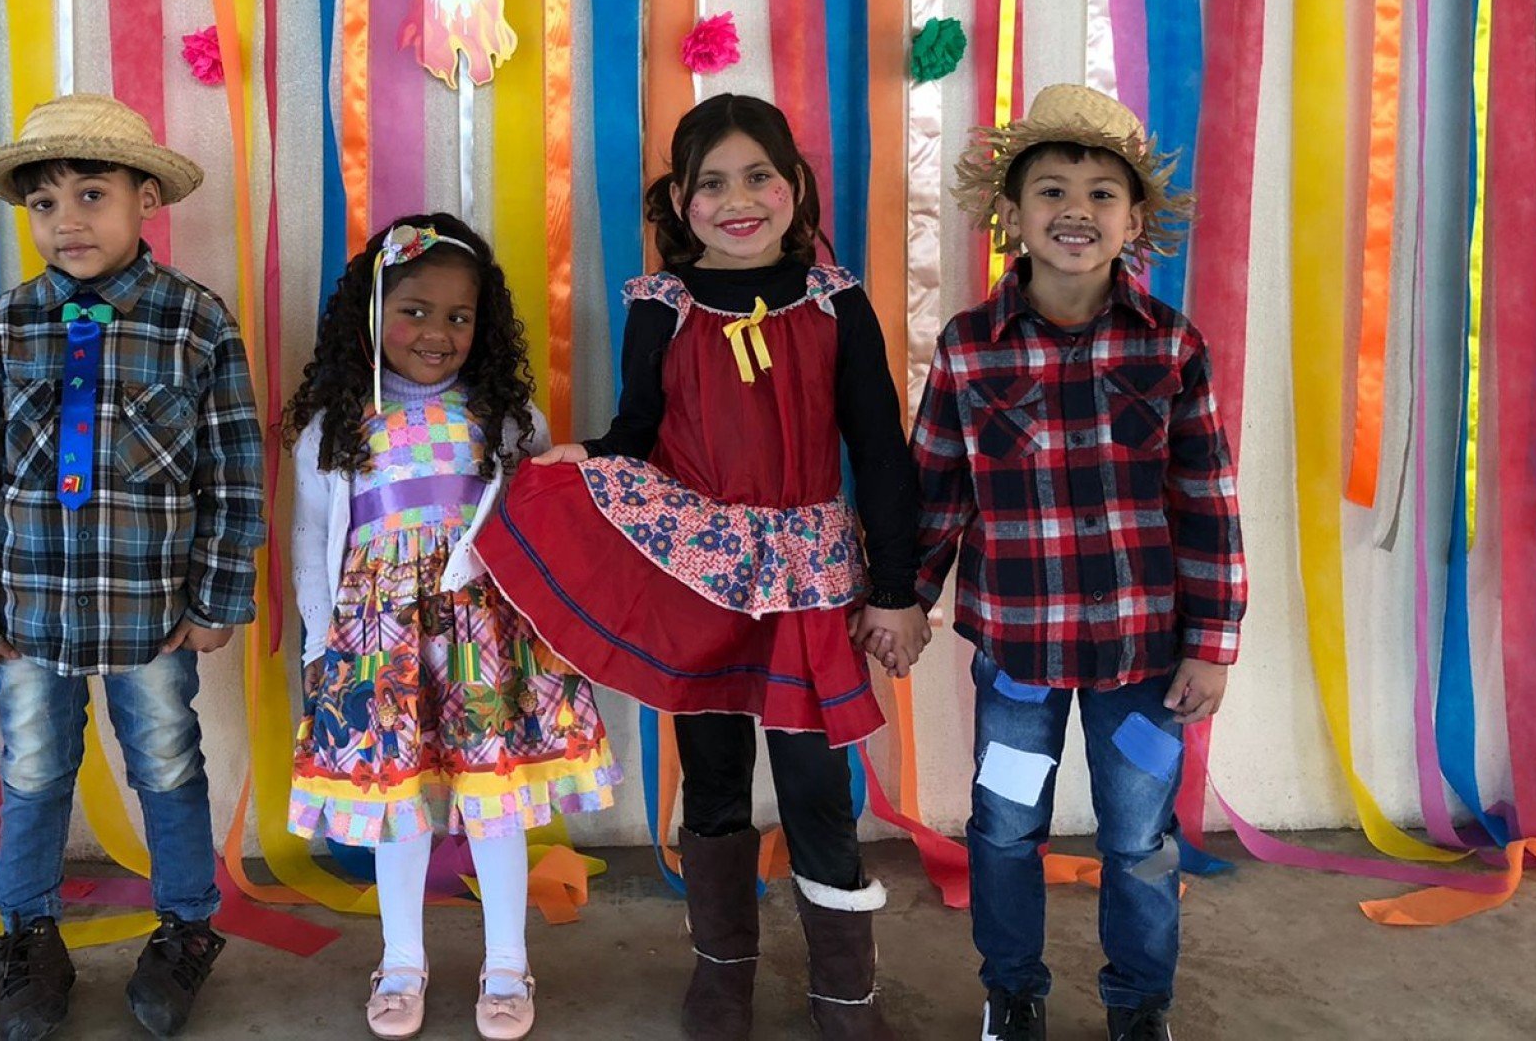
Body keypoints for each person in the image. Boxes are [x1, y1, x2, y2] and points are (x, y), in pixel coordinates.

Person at [475, 94, 927, 1041]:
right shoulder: (660, 308)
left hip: (808, 582)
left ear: (794, 186)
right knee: (714, 777)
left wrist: (896, 590)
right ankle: (722, 970)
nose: (738, 198)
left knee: (814, 786)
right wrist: (585, 461)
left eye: (758, 175)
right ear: (680, 202)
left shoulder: (836, 302)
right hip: (699, 579)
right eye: (711, 182)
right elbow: (637, 434)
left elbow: (881, 448)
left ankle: (846, 993)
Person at [910, 83, 1247, 1041]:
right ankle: (1011, 993)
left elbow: (1208, 503)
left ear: (1134, 220)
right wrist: (902, 601)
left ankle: (1140, 1007)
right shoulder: (971, 351)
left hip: (1147, 664)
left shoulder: (1171, 348)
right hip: (1018, 658)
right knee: (1006, 827)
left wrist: (1213, 643)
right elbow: (936, 490)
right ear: (1010, 217)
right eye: (1051, 190)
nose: (1076, 210)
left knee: (1140, 839)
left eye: (1102, 194)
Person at [0, 94, 263, 1041]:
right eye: (42, 204)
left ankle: (188, 927)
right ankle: (28, 933)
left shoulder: (197, 324)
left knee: (168, 762)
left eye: (91, 193)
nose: (66, 220)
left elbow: (234, 468)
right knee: (33, 771)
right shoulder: (2, 329)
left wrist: (219, 593)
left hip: (153, 615)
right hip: (29, 616)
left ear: (145, 197)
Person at [286, 215, 619, 1040]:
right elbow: (309, 538)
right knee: (400, 809)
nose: (436, 333)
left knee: (495, 804)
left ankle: (507, 960)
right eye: (414, 310)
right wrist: (322, 642)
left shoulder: (507, 421)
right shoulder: (334, 427)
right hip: (377, 644)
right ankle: (403, 959)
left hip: (489, 641)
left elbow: (543, 531)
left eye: (459, 317)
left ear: (485, 325)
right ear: (369, 313)